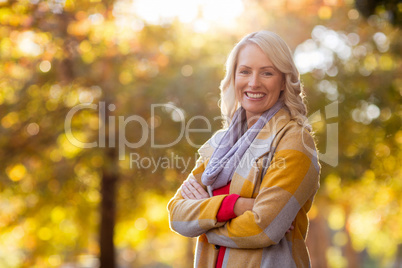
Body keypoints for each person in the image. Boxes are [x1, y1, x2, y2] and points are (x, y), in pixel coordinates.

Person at [167, 30, 321, 268]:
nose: (253, 83)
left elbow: (263, 227)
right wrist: (235, 206)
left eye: (267, 72)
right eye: (245, 71)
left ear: (283, 81)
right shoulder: (219, 143)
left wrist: (205, 225)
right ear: (233, 77)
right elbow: (177, 215)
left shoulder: (294, 140)